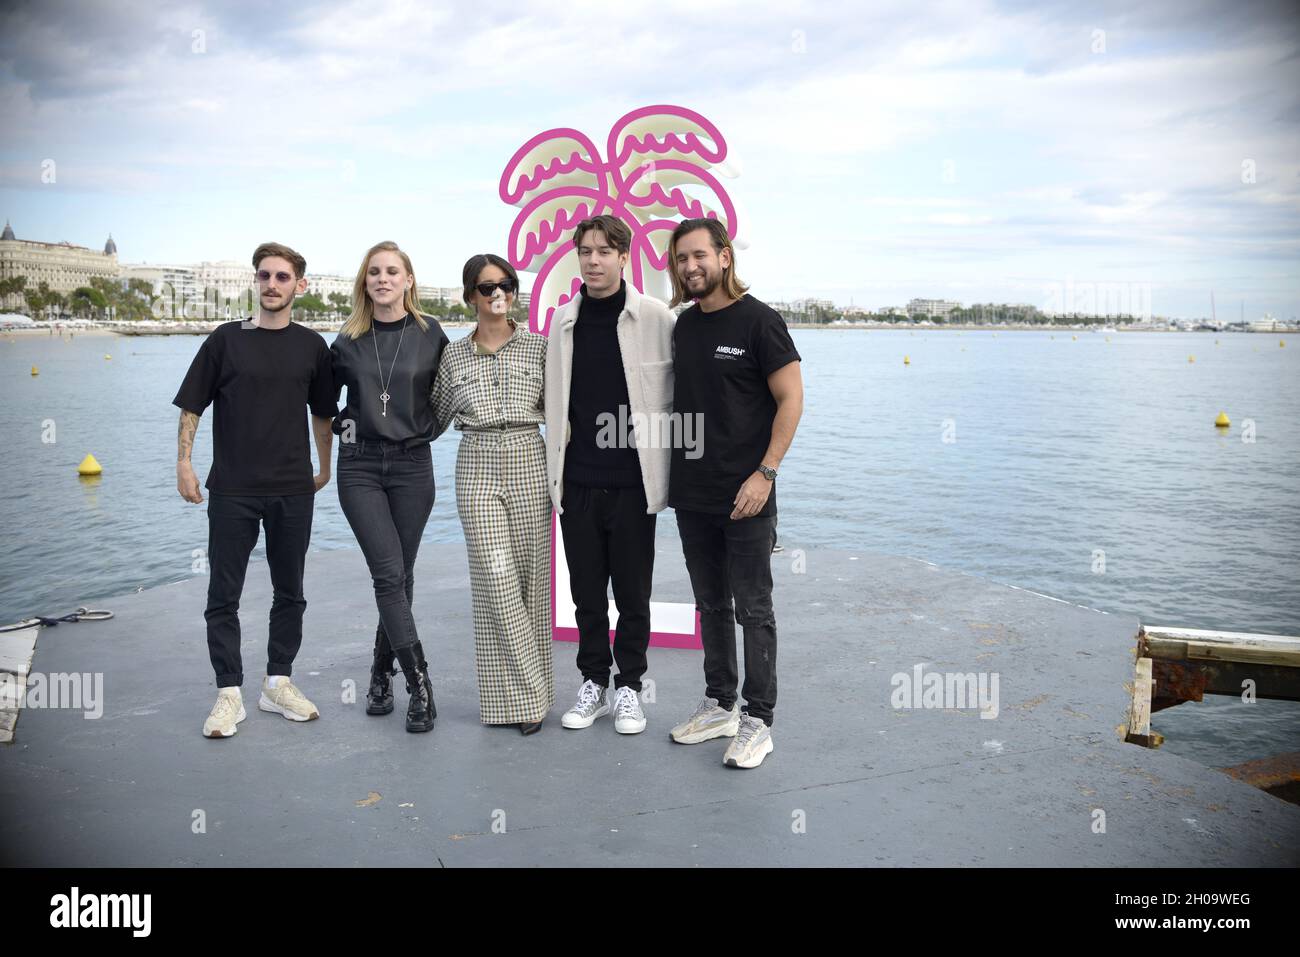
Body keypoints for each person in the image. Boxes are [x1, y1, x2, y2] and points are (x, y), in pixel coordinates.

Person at [174, 242, 337, 738]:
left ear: (299, 286)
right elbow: (192, 406)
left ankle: (277, 683)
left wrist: (324, 468)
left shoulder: (313, 346)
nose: (272, 284)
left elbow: (323, 414)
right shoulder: (225, 340)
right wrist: (184, 462)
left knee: (291, 592)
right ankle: (228, 694)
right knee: (224, 593)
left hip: (293, 490)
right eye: (264, 275)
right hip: (232, 491)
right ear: (255, 281)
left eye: (282, 277)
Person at [665, 218, 804, 769]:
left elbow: (791, 400)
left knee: (754, 607)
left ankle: (757, 720)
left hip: (747, 493)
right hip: (692, 492)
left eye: (699, 255)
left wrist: (765, 474)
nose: (690, 266)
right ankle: (720, 703)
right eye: (681, 258)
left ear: (724, 257)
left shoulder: (760, 322)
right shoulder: (683, 326)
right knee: (710, 604)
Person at [544, 215, 675, 734]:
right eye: (585, 251)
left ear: (624, 256)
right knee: (586, 592)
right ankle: (594, 683)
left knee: (633, 593)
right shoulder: (561, 321)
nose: (593, 260)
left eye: (604, 251)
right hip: (576, 481)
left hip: (634, 482)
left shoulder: (657, 318)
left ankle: (630, 689)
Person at [430, 254, 552, 734]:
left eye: (506, 284)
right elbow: (432, 418)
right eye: (486, 287)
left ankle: (515, 705)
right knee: (496, 581)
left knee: (530, 584)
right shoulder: (453, 355)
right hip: (477, 460)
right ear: (469, 297)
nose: (497, 293)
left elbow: (564, 410)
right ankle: (531, 696)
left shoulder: (541, 348)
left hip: (529, 456)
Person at [330, 241, 449, 733]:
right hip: (359, 468)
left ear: (408, 280)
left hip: (412, 469)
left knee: (402, 575)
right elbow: (324, 407)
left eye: (392, 271)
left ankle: (380, 673)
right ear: (366, 282)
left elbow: (444, 399)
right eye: (374, 272)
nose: (383, 279)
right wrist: (341, 437)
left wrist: (417, 436)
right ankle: (420, 684)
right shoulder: (347, 340)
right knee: (387, 573)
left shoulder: (431, 334)